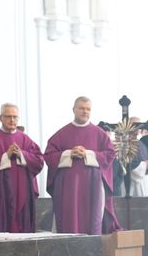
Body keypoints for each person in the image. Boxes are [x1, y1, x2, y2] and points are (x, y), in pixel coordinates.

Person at [43, 96, 121, 235]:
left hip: (93, 185)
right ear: (73, 110)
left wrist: (88, 154)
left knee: (92, 219)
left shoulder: (99, 133)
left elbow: (110, 154)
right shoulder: (62, 133)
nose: (85, 111)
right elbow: (49, 156)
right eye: (81, 108)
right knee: (68, 219)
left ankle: (91, 247)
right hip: (68, 187)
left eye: (88, 109)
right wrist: (69, 154)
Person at [0, 103, 44, 232]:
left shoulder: (25, 139)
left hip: (23, 190)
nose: (12, 120)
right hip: (1, 191)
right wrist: (6, 156)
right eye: (8, 116)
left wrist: (22, 154)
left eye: (15, 117)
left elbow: (39, 160)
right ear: (0, 118)